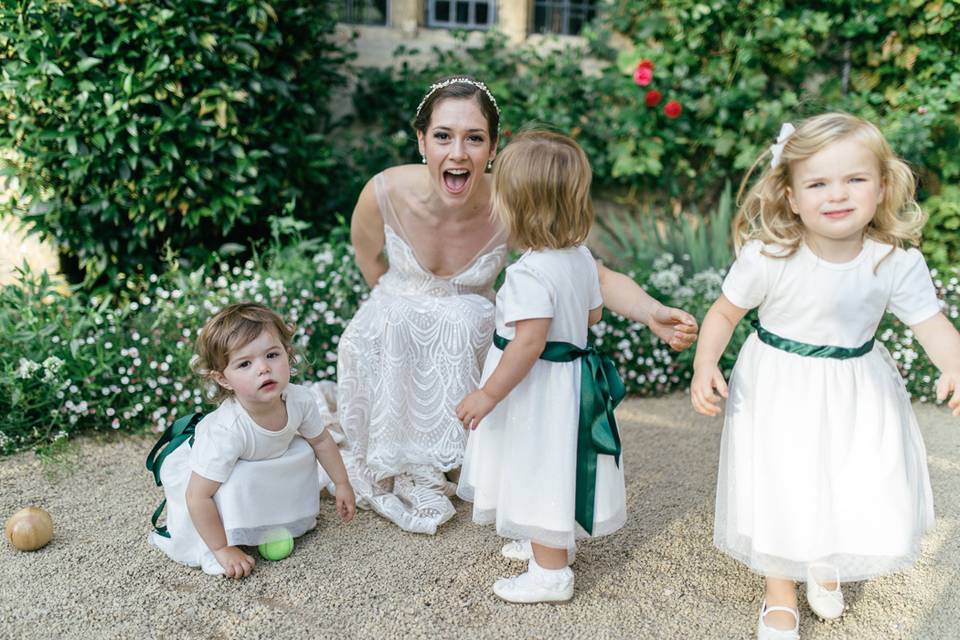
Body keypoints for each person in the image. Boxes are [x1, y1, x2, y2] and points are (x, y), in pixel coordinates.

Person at [335, 75, 698, 535]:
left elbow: (590, 271)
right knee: (393, 317)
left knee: (467, 318)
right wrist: (398, 308)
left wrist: (651, 312)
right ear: (422, 140)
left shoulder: (515, 198)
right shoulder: (383, 192)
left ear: (493, 147)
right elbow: (370, 264)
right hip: (396, 316)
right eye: (443, 136)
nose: (458, 152)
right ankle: (403, 448)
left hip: (471, 331)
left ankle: (462, 451)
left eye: (474, 138)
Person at [690, 113, 960, 639]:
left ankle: (824, 559)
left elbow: (933, 325)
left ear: (882, 187)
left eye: (855, 179)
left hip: (856, 387)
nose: (837, 194)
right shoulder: (770, 255)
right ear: (791, 196)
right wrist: (706, 364)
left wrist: (955, 364)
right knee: (781, 482)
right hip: (777, 386)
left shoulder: (893, 263)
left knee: (843, 477)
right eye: (818, 183)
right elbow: (724, 312)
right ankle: (779, 594)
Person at [455, 130, 626, 603]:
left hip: (535, 388)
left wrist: (488, 394)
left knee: (536, 466)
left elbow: (528, 343)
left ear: (517, 206)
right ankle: (543, 537)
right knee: (555, 463)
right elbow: (592, 315)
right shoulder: (579, 257)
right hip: (569, 382)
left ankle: (550, 573)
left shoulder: (529, 273)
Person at [149, 303, 356, 579]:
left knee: (302, 451)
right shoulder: (228, 431)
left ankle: (282, 517)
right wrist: (222, 548)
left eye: (272, 355)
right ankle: (219, 541)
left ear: (288, 355)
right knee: (234, 480)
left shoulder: (300, 400)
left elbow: (321, 441)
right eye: (245, 364)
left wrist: (341, 483)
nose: (263, 369)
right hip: (220, 469)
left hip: (265, 458)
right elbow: (197, 496)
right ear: (223, 379)